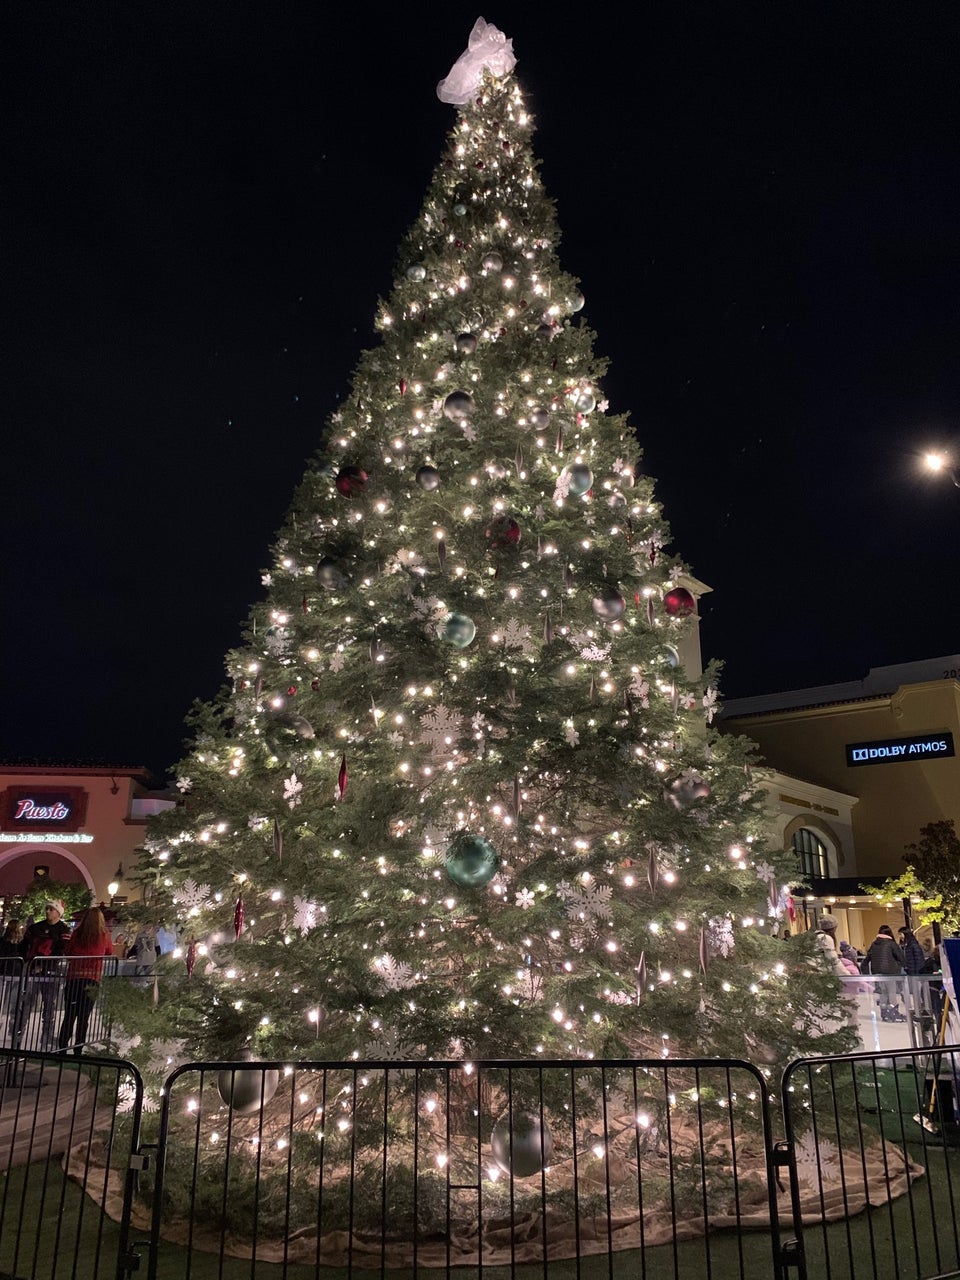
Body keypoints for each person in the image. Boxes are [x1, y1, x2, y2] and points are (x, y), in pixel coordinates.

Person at [57, 907, 113, 1055]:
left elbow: (68, 952)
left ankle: (62, 1048)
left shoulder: (77, 933)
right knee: (84, 1017)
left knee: (69, 1015)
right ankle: (78, 1049)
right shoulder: (104, 935)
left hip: (74, 979)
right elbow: (109, 952)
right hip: (92, 980)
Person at [865, 924, 905, 1020]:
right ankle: (893, 1012)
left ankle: (884, 1012)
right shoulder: (891, 944)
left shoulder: (874, 944)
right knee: (891, 992)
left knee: (883, 992)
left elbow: (867, 958)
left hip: (877, 973)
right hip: (890, 972)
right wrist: (901, 965)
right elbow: (900, 957)